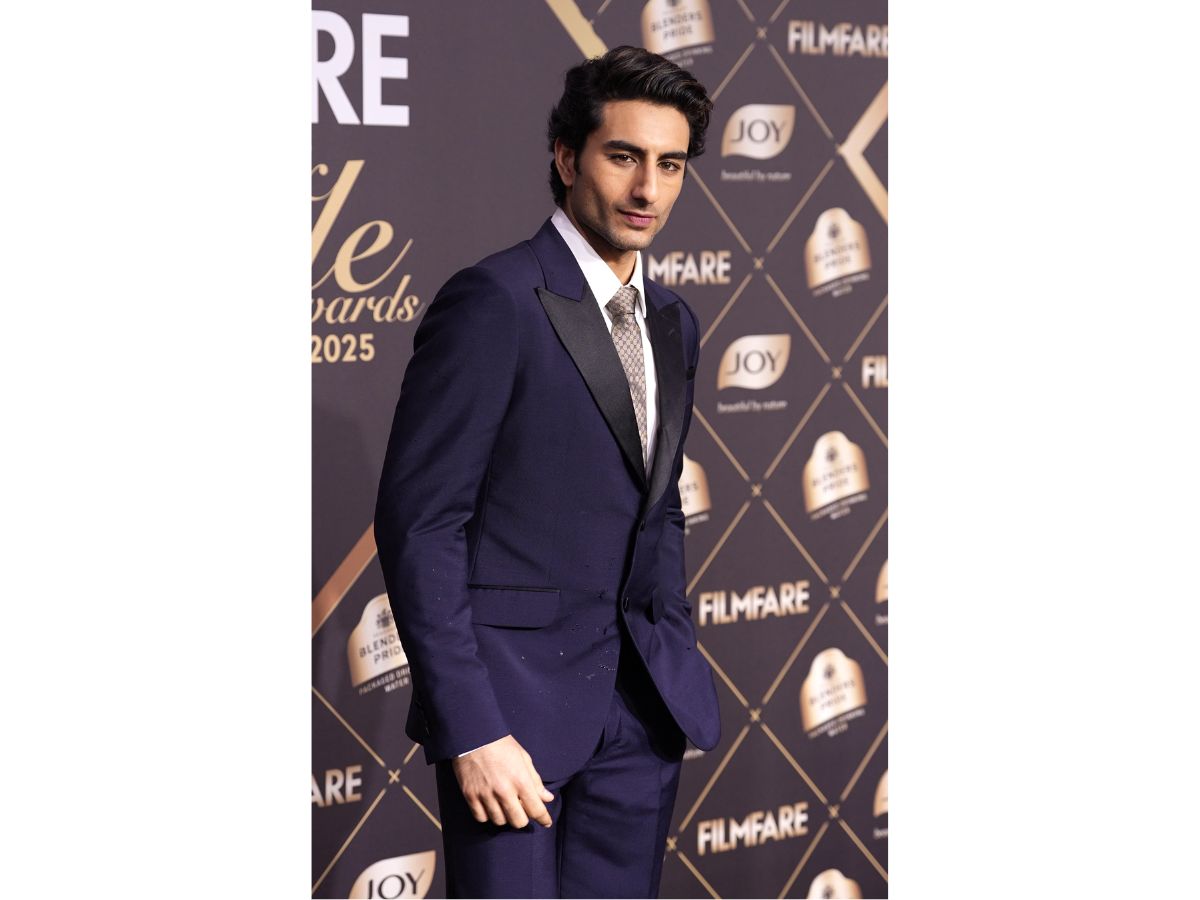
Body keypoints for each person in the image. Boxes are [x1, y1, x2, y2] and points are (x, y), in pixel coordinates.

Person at [374, 45, 721, 898]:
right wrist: (471, 729)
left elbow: (657, 506)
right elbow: (422, 525)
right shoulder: (495, 300)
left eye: (670, 164)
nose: (647, 189)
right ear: (567, 158)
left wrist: (670, 647)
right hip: (512, 722)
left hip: (642, 715)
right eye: (623, 156)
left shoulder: (673, 320)